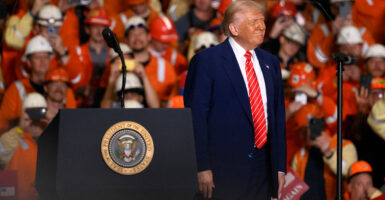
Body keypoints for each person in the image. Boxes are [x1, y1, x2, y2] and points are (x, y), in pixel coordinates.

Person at [184, 1, 286, 199]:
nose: (262, 26)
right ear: (234, 28)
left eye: (262, 21)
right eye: (254, 21)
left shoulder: (271, 63)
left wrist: (280, 167)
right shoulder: (206, 61)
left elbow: (278, 118)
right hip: (221, 170)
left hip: (263, 170)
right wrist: (201, 166)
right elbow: (195, 117)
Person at [0, 92, 49, 200]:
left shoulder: (50, 139)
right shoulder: (13, 137)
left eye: (39, 112)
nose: (35, 117)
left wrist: (50, 126)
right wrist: (21, 127)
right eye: (31, 112)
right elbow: (2, 152)